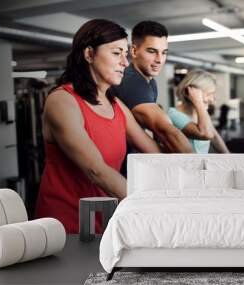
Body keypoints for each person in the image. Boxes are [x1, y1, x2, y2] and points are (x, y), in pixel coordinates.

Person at [35, 19, 160, 233]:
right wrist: (150, 206)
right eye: (116, 53)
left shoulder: (116, 105)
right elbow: (96, 170)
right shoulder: (62, 101)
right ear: (89, 54)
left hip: (104, 222)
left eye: (125, 54)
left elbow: (153, 152)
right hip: (65, 228)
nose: (125, 62)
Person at [113, 21, 192, 153]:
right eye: (152, 51)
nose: (159, 59)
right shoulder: (132, 81)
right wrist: (199, 168)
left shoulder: (150, 82)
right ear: (134, 50)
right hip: (118, 163)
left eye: (164, 52)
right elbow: (168, 133)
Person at [168, 69, 229, 154]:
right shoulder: (174, 115)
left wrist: (229, 155)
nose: (212, 99)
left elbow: (214, 135)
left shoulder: (200, 112)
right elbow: (206, 134)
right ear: (191, 93)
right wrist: (198, 102)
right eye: (209, 94)